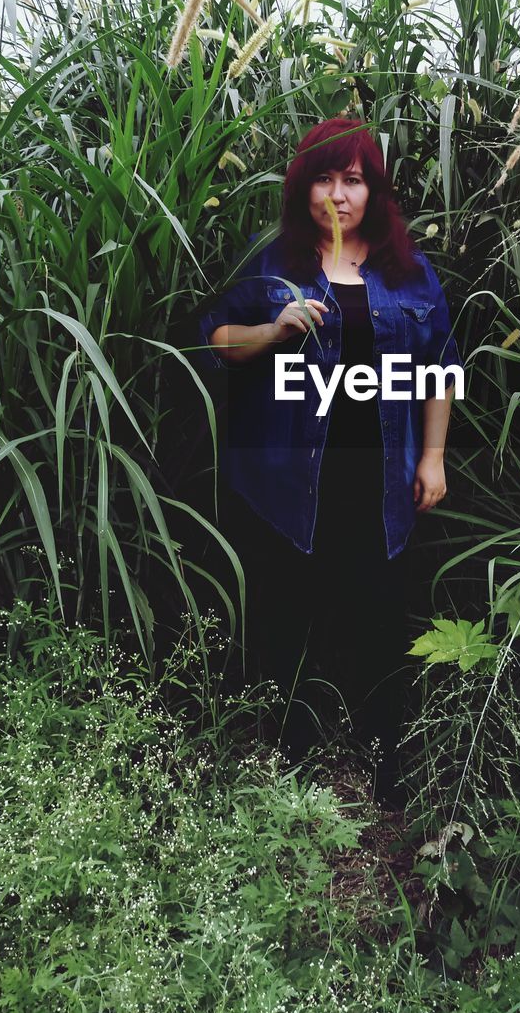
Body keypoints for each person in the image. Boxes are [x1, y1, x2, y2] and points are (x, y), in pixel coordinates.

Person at [195, 118, 462, 804]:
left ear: (372, 189)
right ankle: (292, 752)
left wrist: (432, 458)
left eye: (352, 180)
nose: (337, 195)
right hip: (291, 481)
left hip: (380, 479)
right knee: (287, 613)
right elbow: (218, 339)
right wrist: (273, 329)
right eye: (323, 178)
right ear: (301, 185)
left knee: (380, 613)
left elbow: (440, 369)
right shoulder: (274, 264)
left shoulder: (409, 272)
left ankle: (385, 749)